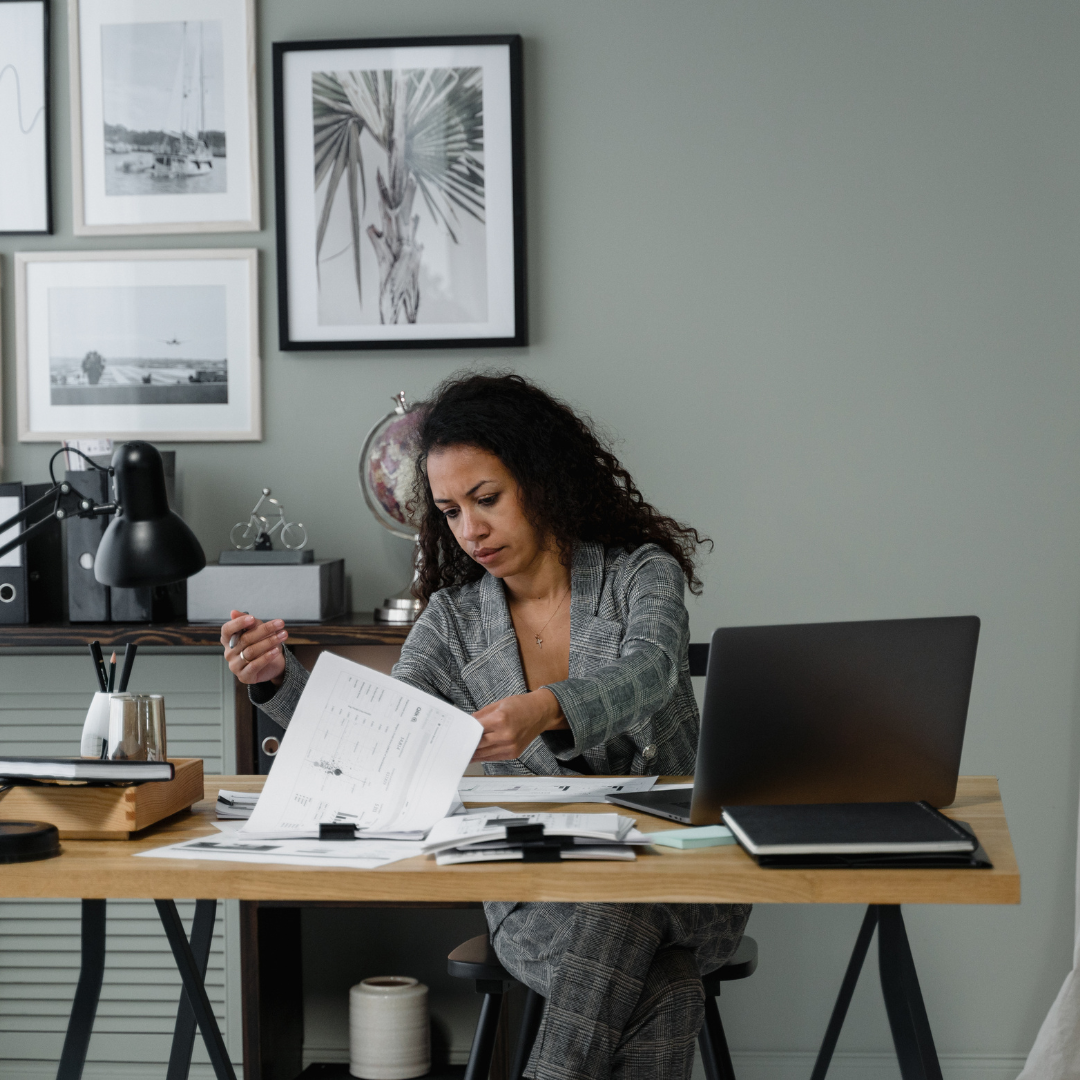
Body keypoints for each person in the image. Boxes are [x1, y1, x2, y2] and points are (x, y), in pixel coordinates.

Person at [220, 372, 750, 1080]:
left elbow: (651, 670)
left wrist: (548, 709)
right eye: (448, 510)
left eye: (487, 499)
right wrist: (277, 680)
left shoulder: (638, 575)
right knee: (664, 980)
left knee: (626, 904)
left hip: (684, 882)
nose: (469, 530)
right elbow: (385, 735)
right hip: (539, 900)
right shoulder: (452, 621)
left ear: (543, 479)